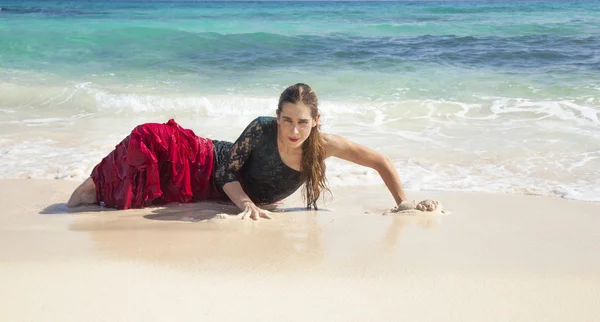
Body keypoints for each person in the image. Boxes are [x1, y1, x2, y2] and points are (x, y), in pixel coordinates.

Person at [67, 83, 408, 220]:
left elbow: (379, 161)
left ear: (316, 121)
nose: (292, 131)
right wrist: (245, 204)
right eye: (286, 120)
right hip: (207, 165)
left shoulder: (326, 146)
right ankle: (95, 183)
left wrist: (403, 203)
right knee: (150, 136)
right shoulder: (262, 128)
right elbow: (224, 170)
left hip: (218, 194)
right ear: (277, 116)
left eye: (302, 123)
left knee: (137, 193)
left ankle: (98, 190)